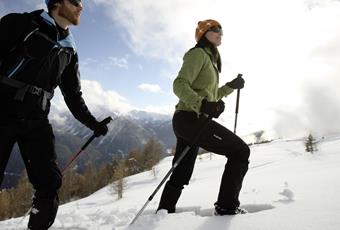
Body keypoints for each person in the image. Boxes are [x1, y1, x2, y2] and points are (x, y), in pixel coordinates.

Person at [0, 0, 109, 229]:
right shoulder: (21, 23)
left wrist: (93, 124)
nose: (81, 7)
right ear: (57, 3)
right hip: (2, 112)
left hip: (37, 119)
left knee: (50, 183)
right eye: (76, 2)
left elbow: (73, 96)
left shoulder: (70, 49)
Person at [157, 19, 250, 215]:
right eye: (215, 29)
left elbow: (212, 96)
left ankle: (163, 213)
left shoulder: (210, 60)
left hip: (187, 120)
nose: (220, 33)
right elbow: (179, 84)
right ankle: (227, 206)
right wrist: (202, 104)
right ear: (203, 34)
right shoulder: (198, 54)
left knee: (181, 172)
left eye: (221, 30)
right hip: (190, 119)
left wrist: (231, 86)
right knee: (240, 152)